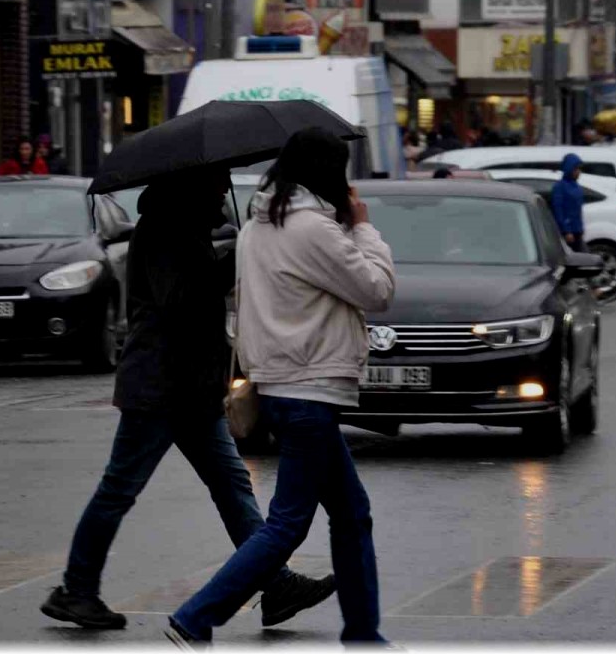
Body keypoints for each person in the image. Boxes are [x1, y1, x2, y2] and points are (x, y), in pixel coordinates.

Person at [41, 166, 336, 631]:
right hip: (160, 387)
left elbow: (194, 291)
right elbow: (178, 300)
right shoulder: (163, 230)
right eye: (217, 181)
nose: (223, 188)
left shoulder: (187, 228)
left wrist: (233, 255)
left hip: (190, 388)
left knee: (232, 484)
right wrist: (235, 259)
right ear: (192, 186)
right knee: (119, 489)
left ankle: (274, 583)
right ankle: (76, 590)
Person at [166, 127, 396, 646]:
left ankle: (363, 633)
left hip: (284, 386)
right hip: (310, 389)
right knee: (287, 525)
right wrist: (363, 227)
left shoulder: (259, 225)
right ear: (327, 172)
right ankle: (196, 616)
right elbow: (377, 289)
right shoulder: (312, 229)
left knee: (352, 514)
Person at [550, 153, 587, 252]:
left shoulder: (577, 186)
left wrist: (580, 227)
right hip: (568, 231)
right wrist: (566, 230)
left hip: (577, 230)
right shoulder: (560, 187)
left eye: (579, 169)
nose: (578, 172)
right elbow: (558, 209)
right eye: (576, 169)